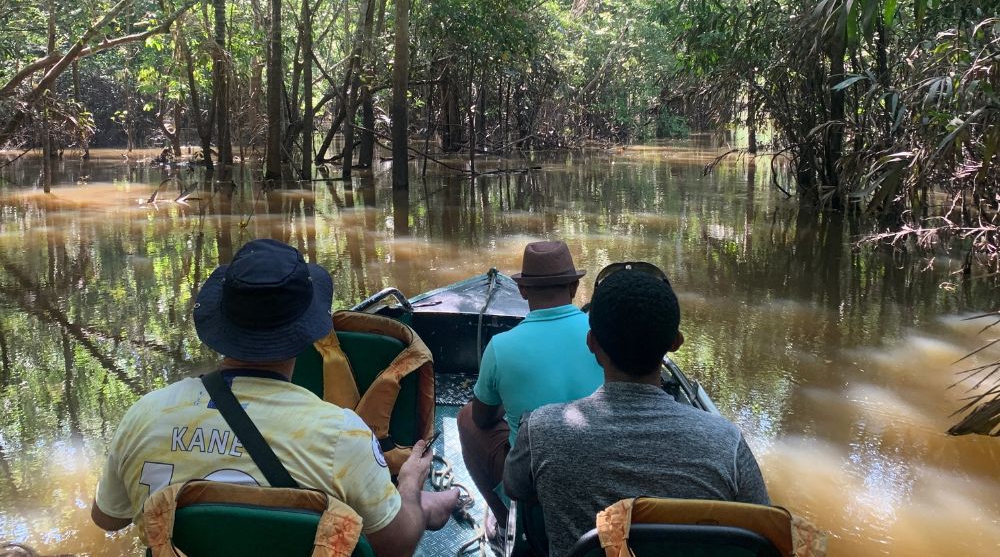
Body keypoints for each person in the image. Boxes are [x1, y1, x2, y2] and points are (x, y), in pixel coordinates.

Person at [90, 238, 458, 557]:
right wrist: (411, 486)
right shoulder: (343, 437)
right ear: (307, 331)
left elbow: (108, 517)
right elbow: (397, 546)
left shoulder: (146, 417)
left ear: (218, 321)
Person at [503, 266, 771, 557]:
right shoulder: (727, 442)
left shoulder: (542, 430)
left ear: (592, 343)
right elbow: (765, 533)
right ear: (675, 343)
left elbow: (515, 488)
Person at [458, 241, 603, 531]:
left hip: (534, 485)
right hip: (598, 475)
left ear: (522, 290)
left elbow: (482, 419)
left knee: (465, 418)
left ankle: (505, 522)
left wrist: (508, 400)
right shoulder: (602, 337)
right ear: (574, 287)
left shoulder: (501, 347)